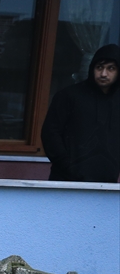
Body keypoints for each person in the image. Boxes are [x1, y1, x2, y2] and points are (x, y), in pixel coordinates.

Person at [41, 44, 120, 182]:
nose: (103, 74)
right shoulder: (69, 96)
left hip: (107, 184)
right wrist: (67, 165)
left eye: (111, 68)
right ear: (92, 68)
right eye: (99, 67)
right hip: (66, 181)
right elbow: (50, 133)